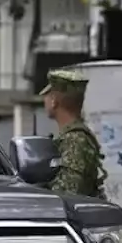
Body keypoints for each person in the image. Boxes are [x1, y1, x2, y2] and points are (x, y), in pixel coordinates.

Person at [39, 68, 107, 198]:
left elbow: (66, 194)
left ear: (54, 100)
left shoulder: (74, 140)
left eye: (47, 95)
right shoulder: (71, 137)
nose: (44, 100)